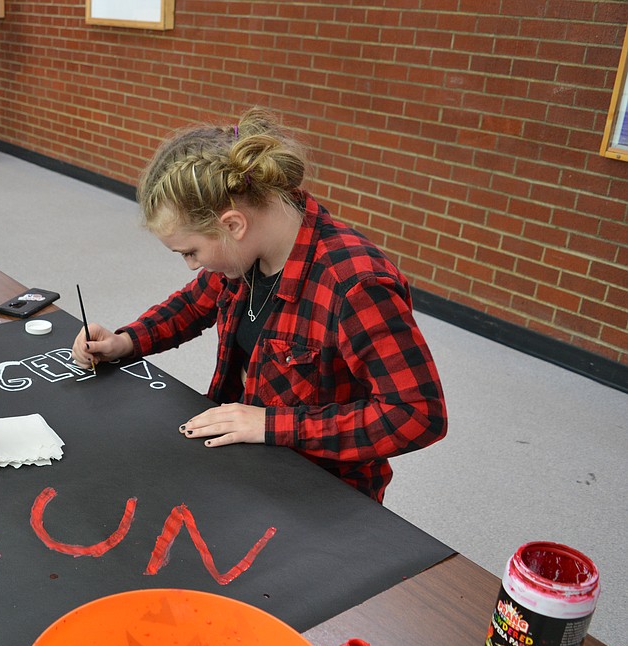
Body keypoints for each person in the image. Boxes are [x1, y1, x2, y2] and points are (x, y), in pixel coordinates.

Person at [72, 108, 447, 503]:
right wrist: (126, 341)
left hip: (323, 492)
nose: (192, 265)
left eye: (191, 252)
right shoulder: (247, 255)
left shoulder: (355, 285)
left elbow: (418, 414)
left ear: (233, 224)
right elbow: (193, 303)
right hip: (249, 467)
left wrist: (272, 425)